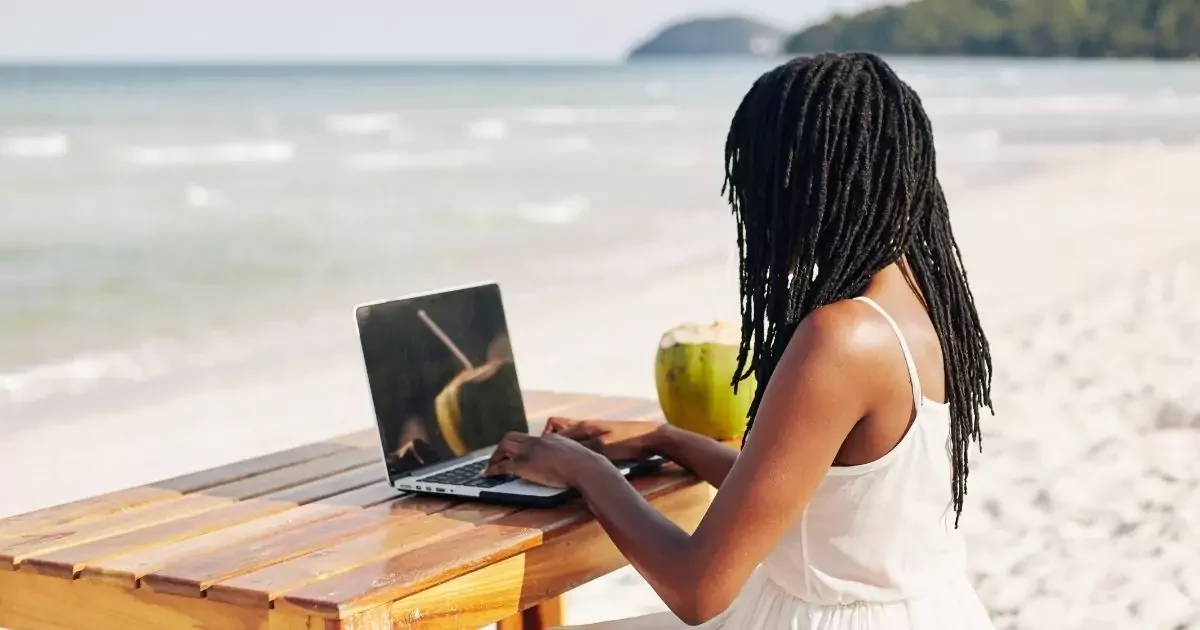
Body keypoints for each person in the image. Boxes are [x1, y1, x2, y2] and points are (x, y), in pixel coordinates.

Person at [483, 52, 995, 629]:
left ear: (808, 183)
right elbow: (815, 498)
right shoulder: (924, 304)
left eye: (757, 181)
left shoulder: (842, 338)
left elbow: (698, 588)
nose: (751, 208)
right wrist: (668, 440)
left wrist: (582, 470)